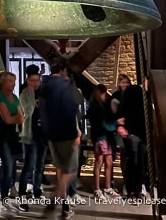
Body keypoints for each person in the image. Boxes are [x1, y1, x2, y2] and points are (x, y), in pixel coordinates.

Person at [39, 57, 81, 219]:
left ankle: (65, 207)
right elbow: (70, 110)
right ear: (63, 70)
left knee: (61, 169)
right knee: (71, 169)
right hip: (66, 134)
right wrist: (75, 132)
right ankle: (55, 197)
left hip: (50, 135)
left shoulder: (44, 86)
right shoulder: (64, 87)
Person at [0, 71, 24, 218]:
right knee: (7, 165)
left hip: (12, 135)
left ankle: (5, 197)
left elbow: (21, 118)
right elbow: (7, 119)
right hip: (2, 135)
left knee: (10, 166)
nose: (13, 84)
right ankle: (3, 200)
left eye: (14, 81)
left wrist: (16, 118)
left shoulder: (15, 97)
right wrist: (16, 118)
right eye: (11, 81)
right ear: (3, 83)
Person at [18, 71, 47, 211]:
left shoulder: (42, 94)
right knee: (28, 167)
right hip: (29, 136)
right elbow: (26, 112)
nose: (36, 83)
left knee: (40, 166)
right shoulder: (24, 94)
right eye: (33, 80)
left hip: (42, 135)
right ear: (27, 81)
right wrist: (31, 99)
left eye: (37, 80)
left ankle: (37, 192)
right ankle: (22, 196)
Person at [87, 84, 120, 200]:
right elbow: (103, 124)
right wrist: (116, 124)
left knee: (109, 162)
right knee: (99, 162)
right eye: (104, 94)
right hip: (101, 137)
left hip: (106, 137)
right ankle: (97, 189)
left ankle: (107, 187)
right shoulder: (96, 108)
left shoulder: (101, 106)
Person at [117, 84, 147, 200]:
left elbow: (120, 114)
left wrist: (120, 126)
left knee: (135, 162)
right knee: (139, 162)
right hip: (138, 133)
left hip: (134, 132)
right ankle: (136, 190)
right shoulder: (142, 99)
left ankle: (133, 190)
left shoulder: (128, 98)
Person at [110, 74, 131, 194]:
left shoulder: (131, 95)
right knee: (124, 154)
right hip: (121, 129)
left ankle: (129, 182)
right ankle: (124, 181)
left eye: (127, 82)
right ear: (119, 84)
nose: (125, 85)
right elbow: (116, 115)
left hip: (131, 128)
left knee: (130, 156)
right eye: (123, 82)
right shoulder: (116, 97)